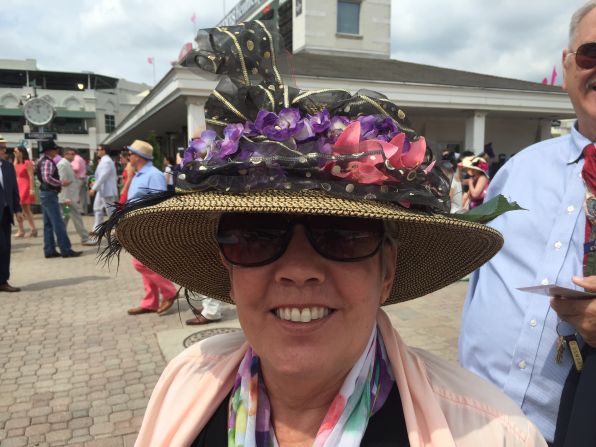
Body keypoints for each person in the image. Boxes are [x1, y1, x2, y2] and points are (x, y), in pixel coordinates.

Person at [98, 21, 546, 446]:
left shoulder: (495, 432)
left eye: (343, 234)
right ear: (226, 263)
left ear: (387, 269)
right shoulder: (183, 384)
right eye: (255, 235)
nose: (297, 270)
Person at [460, 2, 596, 445]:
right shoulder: (518, 169)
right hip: (469, 420)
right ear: (567, 62)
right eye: (592, 53)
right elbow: (472, 265)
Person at [125, 140, 179, 316]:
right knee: (145, 264)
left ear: (138, 157)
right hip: (136, 226)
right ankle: (150, 302)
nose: (128, 157)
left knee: (140, 263)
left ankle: (169, 292)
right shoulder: (140, 174)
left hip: (147, 227)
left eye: (130, 154)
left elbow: (160, 204)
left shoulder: (153, 175)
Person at [36, 140, 82, 259]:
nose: (57, 151)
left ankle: (50, 250)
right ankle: (66, 249)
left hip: (46, 193)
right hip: (50, 194)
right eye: (55, 149)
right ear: (50, 150)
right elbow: (47, 178)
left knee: (48, 224)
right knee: (58, 223)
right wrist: (61, 183)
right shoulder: (49, 162)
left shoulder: (42, 160)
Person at [57, 149, 93, 245]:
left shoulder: (66, 164)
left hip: (68, 198)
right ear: (65, 154)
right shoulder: (63, 165)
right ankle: (84, 238)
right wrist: (66, 198)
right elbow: (62, 182)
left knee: (65, 217)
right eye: (71, 154)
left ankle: (58, 239)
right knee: (76, 217)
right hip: (68, 198)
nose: (73, 156)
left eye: (74, 154)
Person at [0, 136, 22, 292]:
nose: (4, 151)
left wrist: (18, 209)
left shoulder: (8, 166)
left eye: (5, 148)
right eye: (2, 148)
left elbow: (14, 189)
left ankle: (3, 281)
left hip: (5, 213)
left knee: (5, 248)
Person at [89, 144, 118, 234]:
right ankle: (97, 229)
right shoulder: (103, 161)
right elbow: (99, 176)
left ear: (104, 150)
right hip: (102, 190)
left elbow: (103, 176)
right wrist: (94, 185)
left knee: (111, 212)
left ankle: (117, 230)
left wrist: (94, 188)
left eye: (98, 149)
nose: (97, 151)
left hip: (108, 190)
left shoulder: (107, 161)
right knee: (97, 208)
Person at [13, 145, 38, 238]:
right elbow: (14, 170)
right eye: (14, 152)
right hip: (18, 185)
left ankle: (27, 229)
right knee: (21, 209)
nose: (14, 153)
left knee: (24, 209)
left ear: (21, 152)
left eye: (16, 151)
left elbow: (31, 176)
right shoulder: (17, 162)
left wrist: (32, 189)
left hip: (25, 185)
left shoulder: (27, 162)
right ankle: (26, 229)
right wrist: (16, 158)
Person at [69, 149, 89, 216]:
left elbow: (76, 168)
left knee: (75, 195)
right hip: (82, 178)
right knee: (82, 196)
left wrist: (69, 168)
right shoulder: (81, 159)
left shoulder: (76, 159)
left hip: (78, 179)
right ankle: (83, 210)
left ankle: (77, 211)